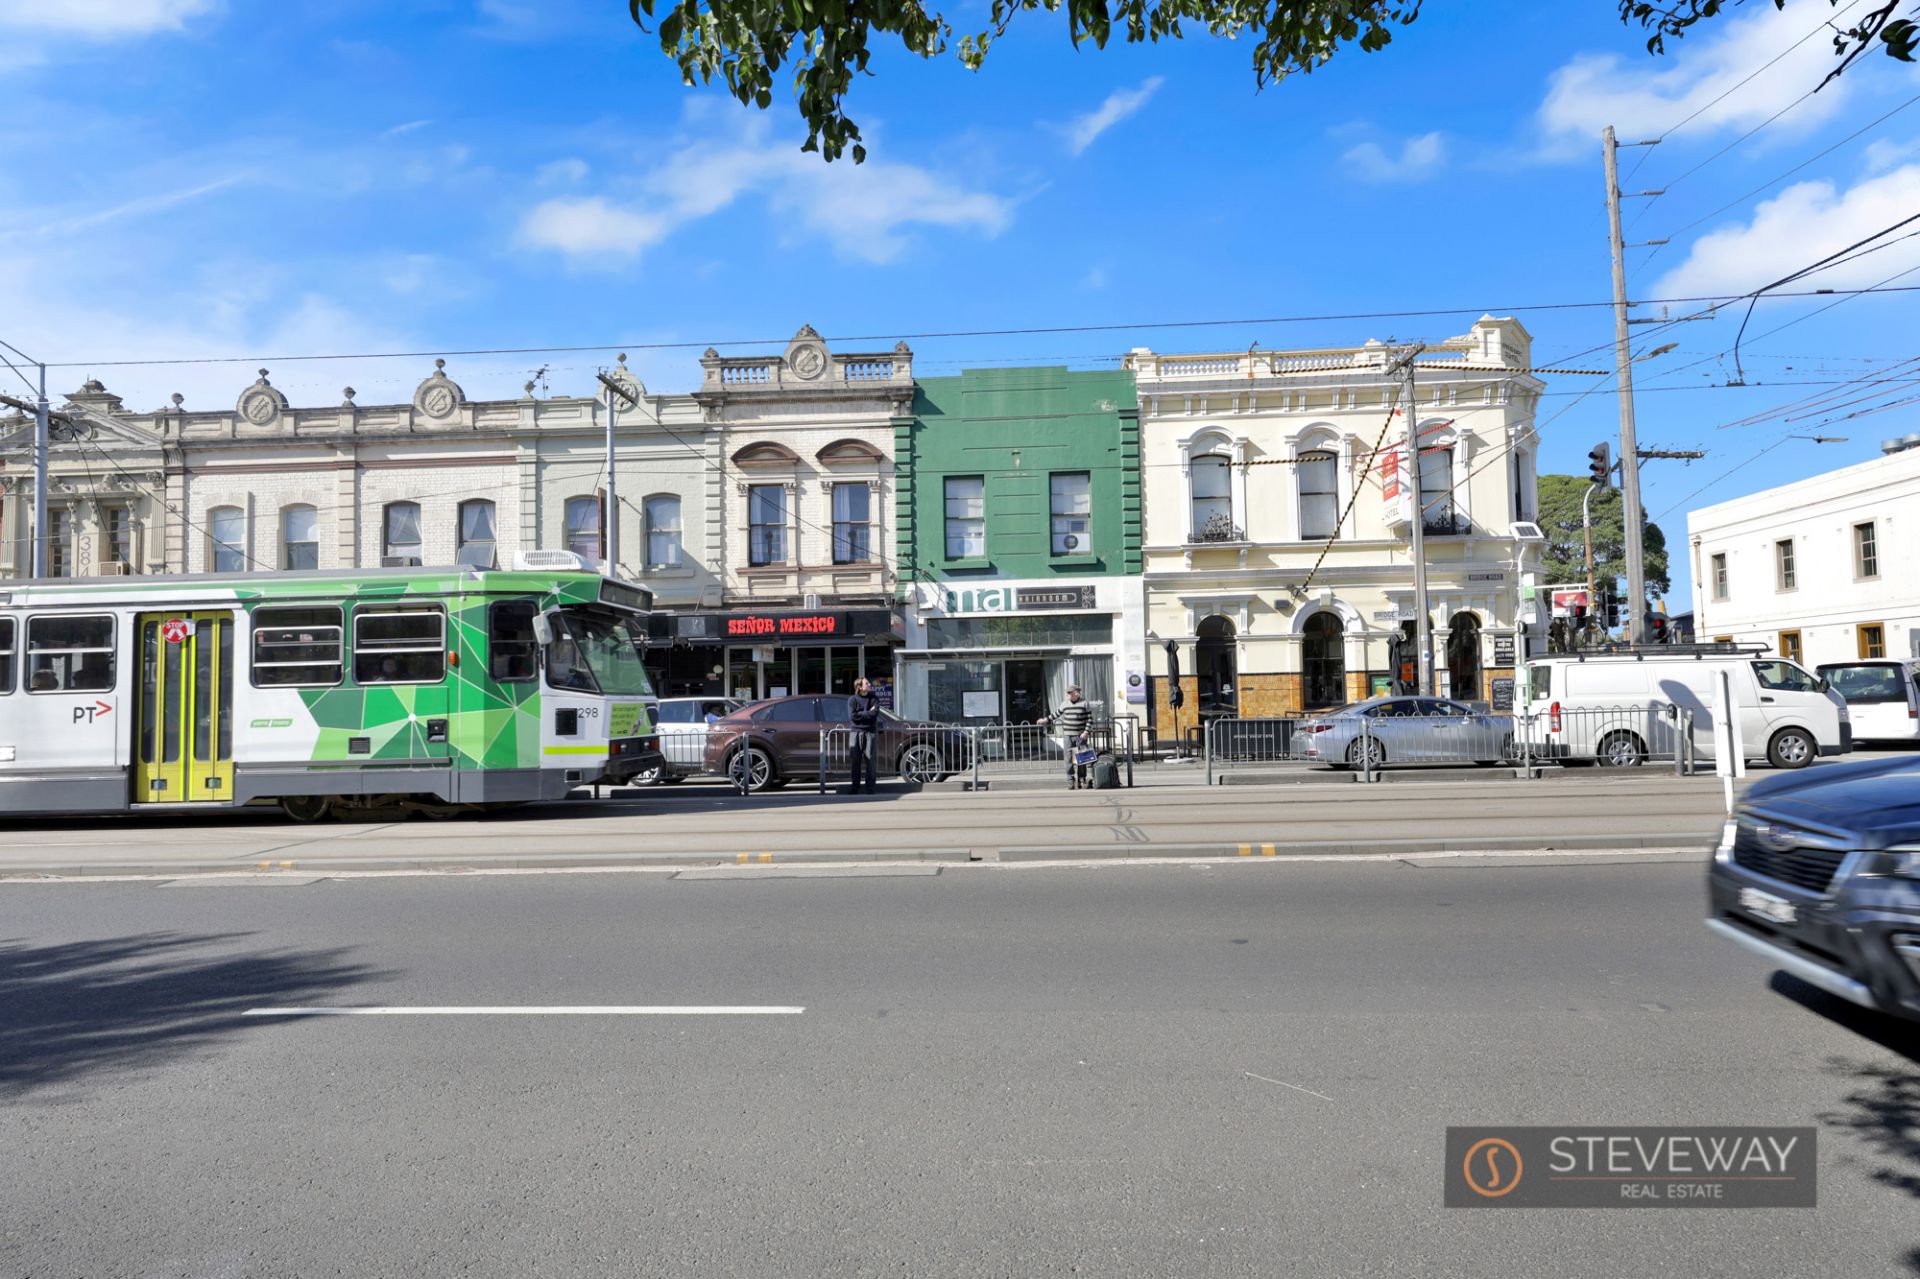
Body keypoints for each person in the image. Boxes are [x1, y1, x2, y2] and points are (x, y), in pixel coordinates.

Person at [1036, 685, 1093, 788]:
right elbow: (1056, 714)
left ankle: (1082, 779)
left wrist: (1086, 732)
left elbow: (1089, 719)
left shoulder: (1084, 703)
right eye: (1067, 692)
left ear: (1076, 693)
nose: (1067, 694)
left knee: (1081, 758)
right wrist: (1045, 720)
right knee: (1068, 758)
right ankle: (1070, 780)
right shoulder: (1064, 704)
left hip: (1080, 735)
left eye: (1069, 692)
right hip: (1068, 735)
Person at [846, 676, 882, 795]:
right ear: (860, 687)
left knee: (870, 761)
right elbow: (853, 717)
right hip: (855, 732)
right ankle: (855, 787)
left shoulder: (874, 698)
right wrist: (867, 712)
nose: (869, 685)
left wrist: (860, 713)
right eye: (867, 683)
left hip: (870, 732)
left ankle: (870, 787)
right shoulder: (852, 700)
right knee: (855, 761)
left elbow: (874, 714)